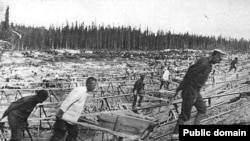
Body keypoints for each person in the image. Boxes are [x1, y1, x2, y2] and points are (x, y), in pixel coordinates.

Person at [171, 49, 226, 140]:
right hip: (190, 90)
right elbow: (189, 73)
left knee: (202, 109)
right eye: (219, 58)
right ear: (215, 56)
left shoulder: (209, 65)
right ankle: (175, 136)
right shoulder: (203, 63)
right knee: (185, 115)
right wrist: (181, 87)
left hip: (195, 91)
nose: (220, 61)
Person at [49, 77, 97, 141]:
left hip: (71, 119)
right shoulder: (80, 90)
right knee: (59, 134)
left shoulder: (85, 92)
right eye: (93, 85)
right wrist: (61, 111)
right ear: (88, 84)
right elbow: (69, 100)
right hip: (64, 117)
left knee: (73, 133)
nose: (94, 87)